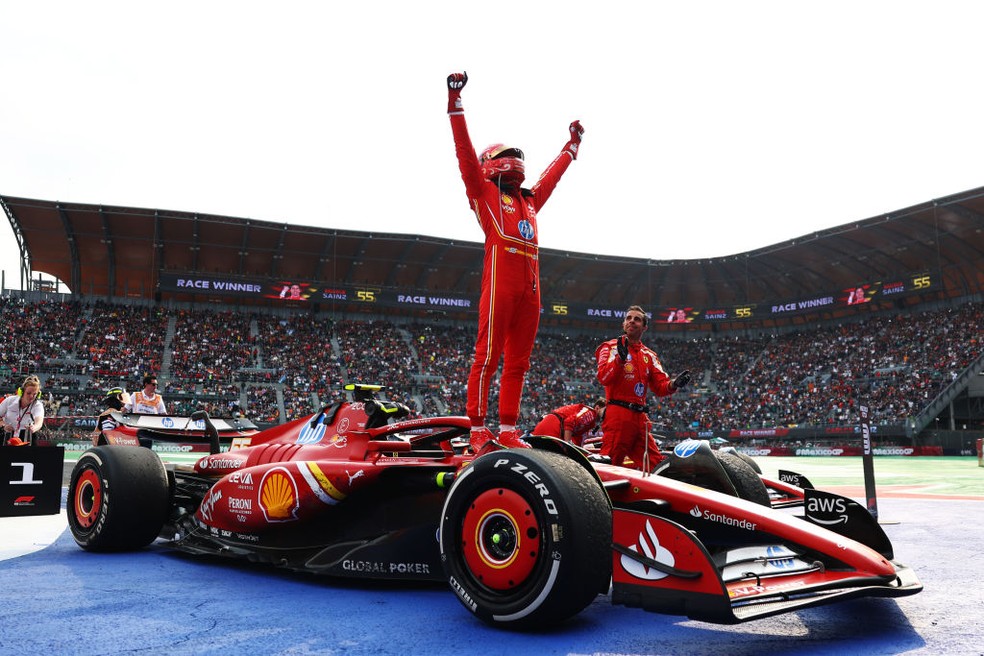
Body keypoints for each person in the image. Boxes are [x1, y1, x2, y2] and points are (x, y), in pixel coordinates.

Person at [447, 71, 584, 453]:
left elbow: (550, 178)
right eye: (507, 156)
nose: (514, 161)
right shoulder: (484, 194)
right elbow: (463, 155)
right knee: (487, 356)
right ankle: (477, 428)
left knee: (518, 364)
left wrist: (571, 148)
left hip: (531, 293)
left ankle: (507, 428)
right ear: (491, 164)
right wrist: (455, 104)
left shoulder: (529, 201)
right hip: (500, 287)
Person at [595, 306, 691, 470]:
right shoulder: (610, 347)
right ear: (624, 323)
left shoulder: (649, 355)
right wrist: (619, 360)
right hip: (618, 415)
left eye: (637, 319)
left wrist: (674, 384)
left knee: (655, 465)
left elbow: (661, 386)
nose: (632, 321)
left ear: (644, 327)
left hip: (640, 419)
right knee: (610, 464)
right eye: (628, 318)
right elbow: (603, 377)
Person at [532, 398, 606, 447]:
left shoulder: (590, 419)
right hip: (553, 427)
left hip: (552, 425)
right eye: (606, 410)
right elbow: (569, 422)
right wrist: (568, 445)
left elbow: (577, 438)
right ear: (597, 408)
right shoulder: (591, 413)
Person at [0, 375, 46, 446]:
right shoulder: (9, 401)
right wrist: (4, 425)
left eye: (34, 394)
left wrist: (33, 428)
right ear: (21, 392)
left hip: (26, 437)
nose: (31, 396)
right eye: (28, 393)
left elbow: (39, 423)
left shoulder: (38, 405)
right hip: (7, 436)